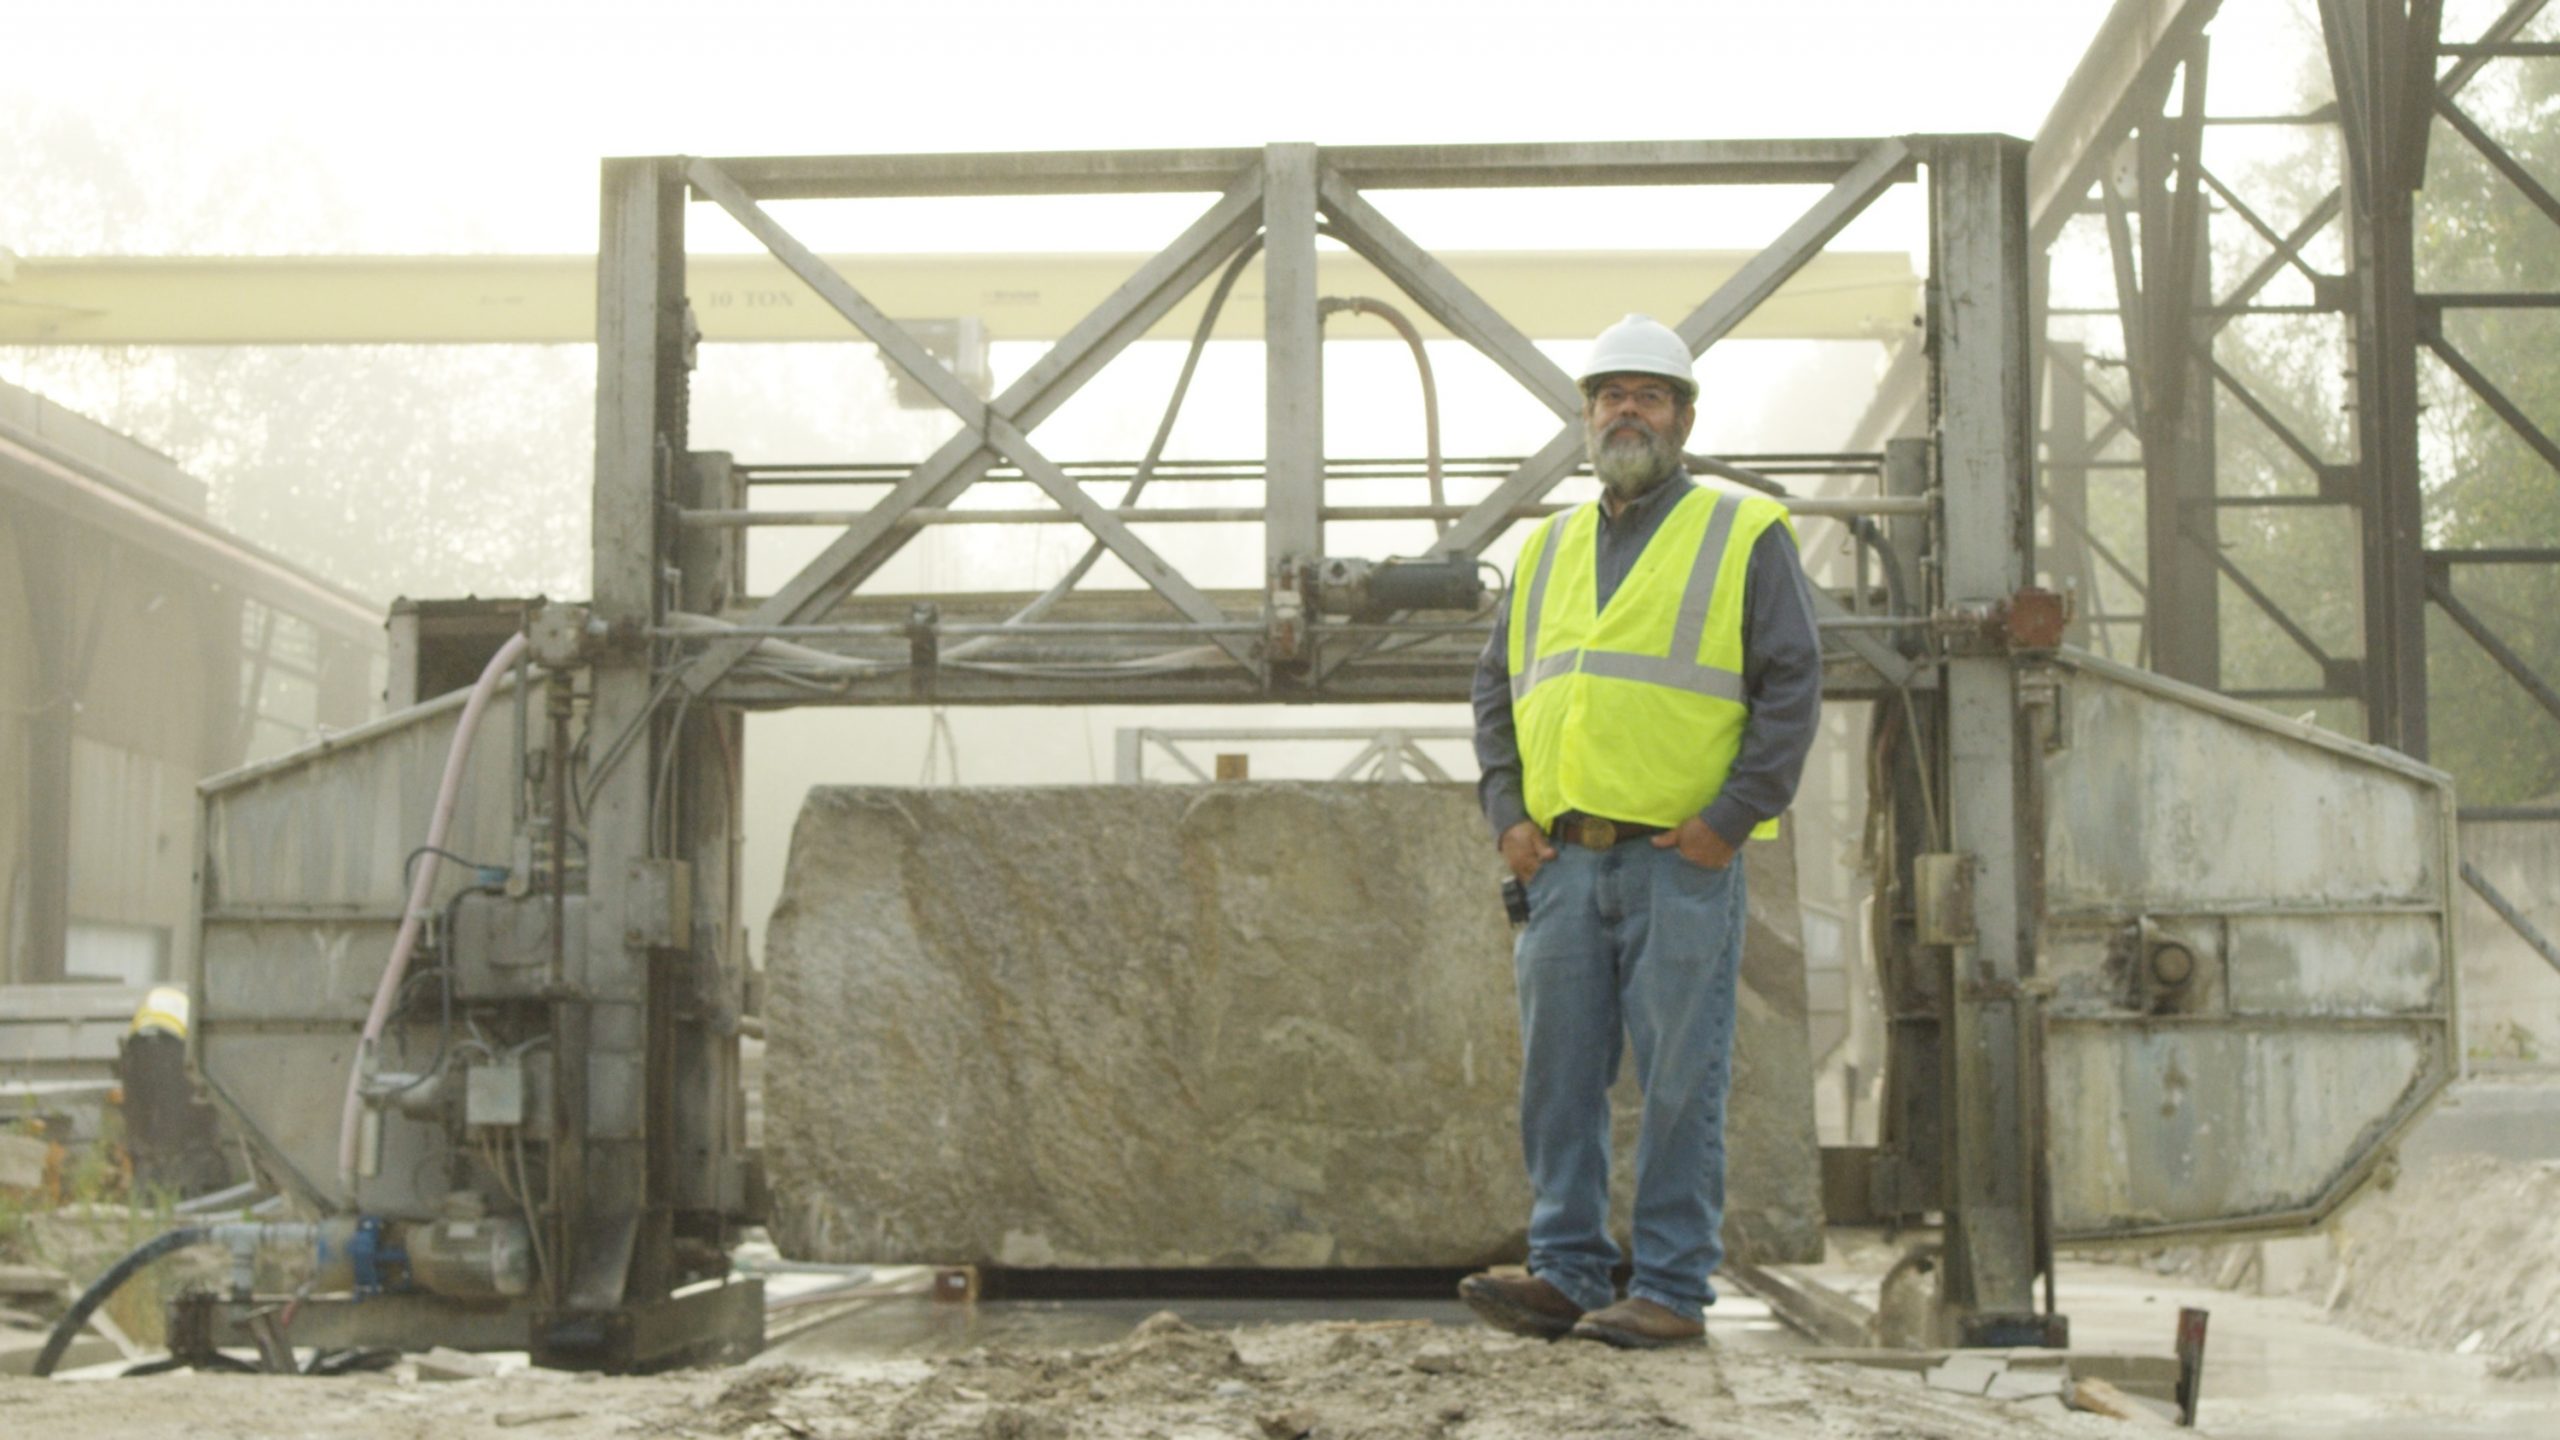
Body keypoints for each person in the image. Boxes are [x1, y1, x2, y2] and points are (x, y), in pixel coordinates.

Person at [1460, 313, 1823, 1348]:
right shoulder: (1546, 548)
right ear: (1586, 417)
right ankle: (1568, 1272)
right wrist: (1506, 816)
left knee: (1677, 1085)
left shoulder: (1741, 532)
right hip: (1562, 863)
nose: (1627, 410)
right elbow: (1496, 690)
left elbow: (1792, 684)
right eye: (1609, 394)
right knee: (1558, 1082)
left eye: (1648, 395)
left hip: (1679, 862)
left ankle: (1668, 1287)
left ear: (1684, 417)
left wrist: (1728, 820)